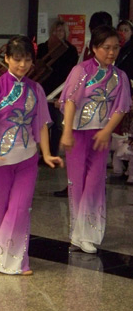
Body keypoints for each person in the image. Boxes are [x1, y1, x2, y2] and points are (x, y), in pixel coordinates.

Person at [0, 36, 63, 275]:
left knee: (20, 209)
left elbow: (42, 123)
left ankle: (18, 261)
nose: (22, 65)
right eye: (17, 59)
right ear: (8, 59)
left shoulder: (36, 89)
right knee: (0, 211)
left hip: (27, 158)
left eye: (27, 60)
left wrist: (46, 153)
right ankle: (4, 258)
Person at [59, 25, 132, 254]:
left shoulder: (120, 77)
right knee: (77, 182)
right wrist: (67, 131)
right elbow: (70, 101)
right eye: (106, 48)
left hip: (101, 134)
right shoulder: (81, 71)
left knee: (95, 184)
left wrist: (107, 130)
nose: (111, 53)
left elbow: (121, 108)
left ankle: (88, 234)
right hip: (78, 134)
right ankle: (77, 235)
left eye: (115, 48)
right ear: (94, 48)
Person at [55, 11, 113, 198]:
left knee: (96, 170)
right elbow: (72, 96)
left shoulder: (114, 67)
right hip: (80, 122)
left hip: (103, 119)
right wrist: (67, 130)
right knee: (77, 172)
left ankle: (94, 190)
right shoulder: (84, 64)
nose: (110, 52)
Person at [37, 20, 78, 156]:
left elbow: (71, 73)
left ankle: (53, 153)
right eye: (56, 30)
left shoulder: (71, 50)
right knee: (43, 122)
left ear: (65, 32)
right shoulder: (43, 47)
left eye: (61, 30)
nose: (58, 33)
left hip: (61, 89)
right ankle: (44, 152)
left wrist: (65, 92)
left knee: (57, 123)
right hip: (44, 87)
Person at [112, 20, 133, 181]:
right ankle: (121, 167)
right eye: (121, 30)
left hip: (129, 93)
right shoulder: (116, 50)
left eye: (126, 30)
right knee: (119, 131)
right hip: (117, 93)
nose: (123, 33)